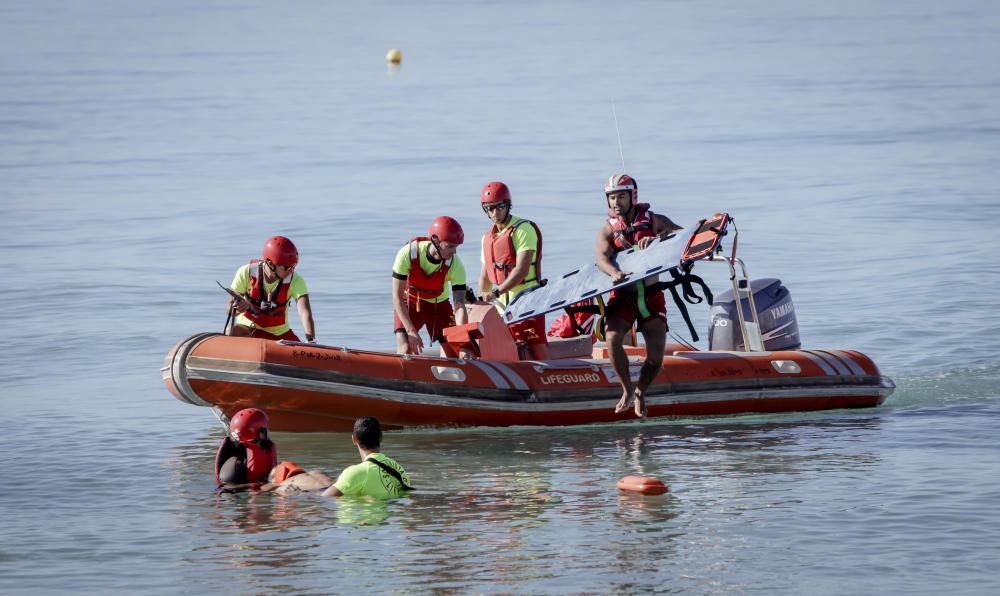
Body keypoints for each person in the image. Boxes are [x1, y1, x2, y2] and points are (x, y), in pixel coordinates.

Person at [595, 174, 682, 418]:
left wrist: (658, 241)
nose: (616, 202)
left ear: (632, 196)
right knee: (612, 338)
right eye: (611, 197)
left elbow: (684, 240)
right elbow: (601, 257)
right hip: (623, 296)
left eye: (621, 196)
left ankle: (641, 390)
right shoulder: (607, 230)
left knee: (655, 357)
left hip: (652, 296)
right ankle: (626, 390)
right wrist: (613, 272)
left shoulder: (654, 221)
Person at [477, 181, 550, 360]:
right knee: (510, 349)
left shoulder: (524, 230)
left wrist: (496, 292)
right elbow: (485, 274)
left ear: (508, 205)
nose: (495, 213)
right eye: (490, 208)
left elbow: (521, 270)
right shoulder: (487, 238)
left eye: (500, 207)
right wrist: (483, 297)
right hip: (503, 307)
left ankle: (552, 379)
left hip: (529, 303)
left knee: (536, 347)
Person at [392, 217, 469, 355]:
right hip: (410, 303)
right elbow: (396, 296)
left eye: (456, 247)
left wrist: (462, 336)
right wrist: (410, 330)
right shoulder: (407, 254)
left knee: (455, 353)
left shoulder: (455, 265)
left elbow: (459, 304)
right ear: (435, 241)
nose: (454, 252)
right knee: (405, 348)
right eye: (450, 246)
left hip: (439, 306)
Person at [227, 236, 316, 342]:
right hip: (249, 330)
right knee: (231, 331)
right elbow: (229, 308)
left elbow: (304, 312)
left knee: (302, 354)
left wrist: (310, 338)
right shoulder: (245, 272)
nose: (291, 271)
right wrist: (236, 308)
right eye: (287, 267)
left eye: (293, 267)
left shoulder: (296, 280)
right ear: (270, 263)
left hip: (280, 335)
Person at [322, 416, 412, 498]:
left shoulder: (355, 472)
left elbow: (324, 499)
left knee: (316, 475)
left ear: (354, 439)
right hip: (387, 513)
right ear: (380, 438)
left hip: (362, 515)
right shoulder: (398, 469)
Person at [215, 408, 278, 486]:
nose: (269, 431)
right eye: (266, 428)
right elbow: (229, 494)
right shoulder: (233, 468)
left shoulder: (246, 457)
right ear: (261, 434)